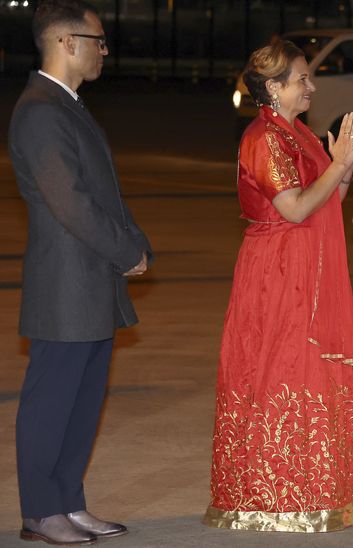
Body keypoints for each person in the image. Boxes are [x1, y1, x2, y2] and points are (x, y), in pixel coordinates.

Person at [202, 40, 353, 533]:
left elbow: (325, 202)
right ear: (273, 88)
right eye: (302, 79)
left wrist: (345, 164)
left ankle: (314, 490)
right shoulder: (265, 137)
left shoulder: (298, 133)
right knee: (280, 371)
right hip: (277, 273)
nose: (311, 86)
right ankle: (268, 496)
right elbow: (293, 208)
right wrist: (337, 167)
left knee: (309, 373)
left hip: (304, 269)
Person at [8, 0, 152, 544]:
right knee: (52, 400)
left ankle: (68, 501)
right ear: (67, 43)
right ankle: (40, 512)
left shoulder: (66, 105)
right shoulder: (41, 110)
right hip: (65, 283)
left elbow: (102, 193)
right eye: (98, 40)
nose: (105, 51)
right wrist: (125, 251)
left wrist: (134, 242)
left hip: (89, 282)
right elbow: (70, 203)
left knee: (82, 400)